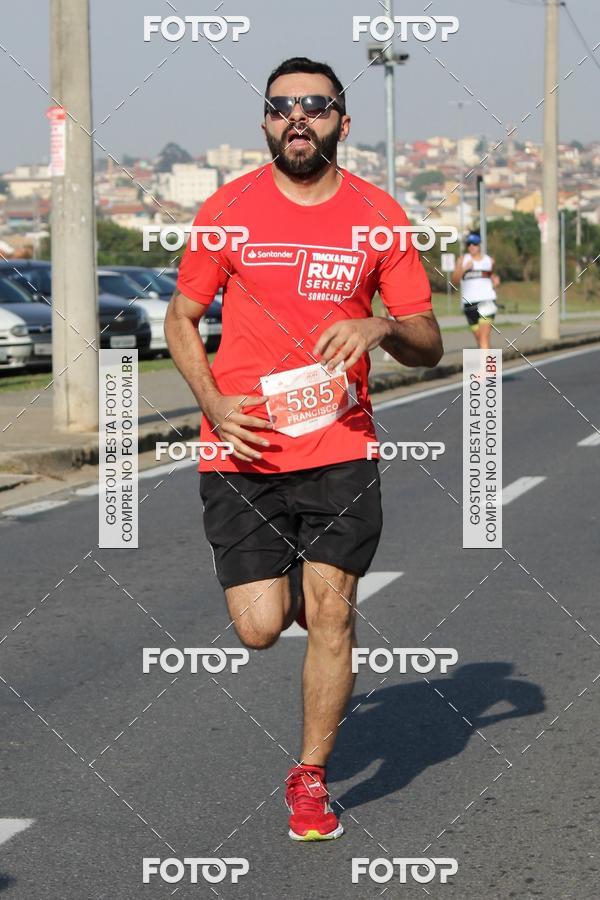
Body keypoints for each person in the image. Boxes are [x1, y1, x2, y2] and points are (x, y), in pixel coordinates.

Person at [165, 56, 443, 842]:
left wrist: (382, 325)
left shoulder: (377, 216)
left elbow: (427, 338)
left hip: (339, 447)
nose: (298, 117)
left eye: (315, 106)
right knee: (258, 626)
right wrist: (214, 402)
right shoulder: (228, 209)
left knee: (333, 614)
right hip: (244, 444)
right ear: (264, 122)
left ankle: (310, 778)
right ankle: (280, 576)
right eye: (282, 105)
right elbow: (181, 319)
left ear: (341, 124)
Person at [451, 232, 500, 349]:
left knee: (484, 338)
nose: (472, 246)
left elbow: (492, 276)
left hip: (486, 302)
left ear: (480, 245)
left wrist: (496, 281)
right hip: (469, 304)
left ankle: (483, 367)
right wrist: (463, 269)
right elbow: (454, 281)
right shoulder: (462, 260)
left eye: (475, 243)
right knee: (480, 340)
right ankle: (491, 363)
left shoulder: (489, 261)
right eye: (469, 244)